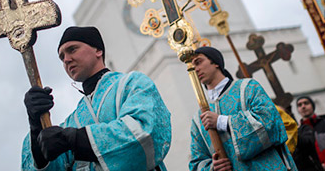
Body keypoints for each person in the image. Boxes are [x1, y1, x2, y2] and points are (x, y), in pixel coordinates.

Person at [21, 26, 172, 171]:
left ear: (98, 50)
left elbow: (145, 132)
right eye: (61, 57)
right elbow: (54, 167)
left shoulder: (132, 84)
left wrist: (74, 139)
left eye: (72, 49)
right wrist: (36, 127)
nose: (66, 59)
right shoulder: (72, 121)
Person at [189, 46, 296, 171]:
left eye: (198, 62)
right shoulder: (198, 119)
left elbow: (271, 122)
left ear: (215, 62)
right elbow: (197, 161)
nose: (195, 69)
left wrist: (222, 122)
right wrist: (212, 167)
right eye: (192, 67)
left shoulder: (248, 88)